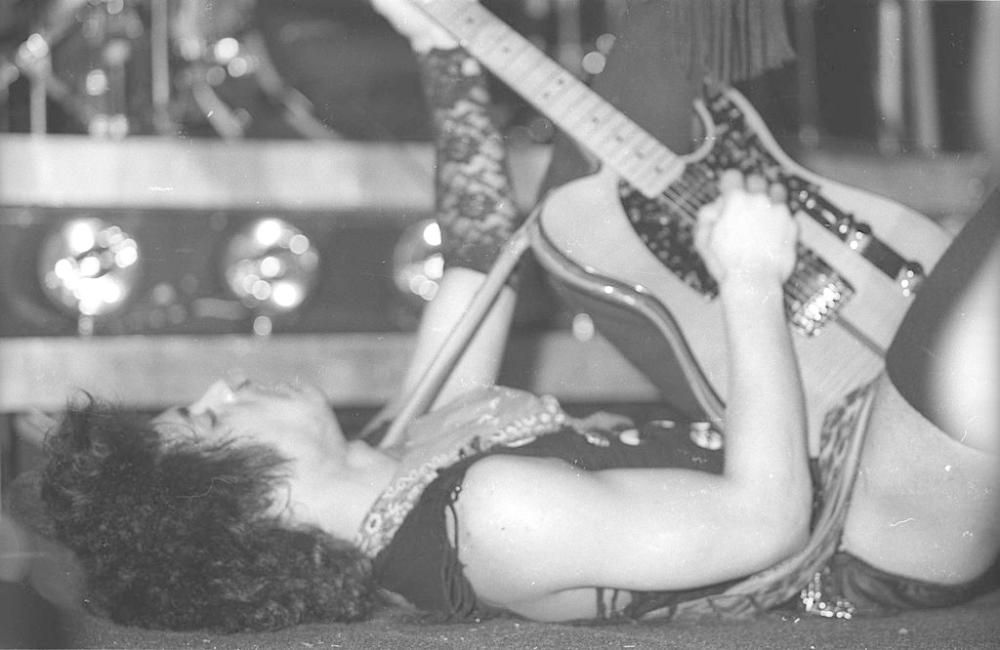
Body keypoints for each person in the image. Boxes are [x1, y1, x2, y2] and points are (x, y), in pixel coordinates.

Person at [23, 0, 999, 633]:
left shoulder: (400, 454)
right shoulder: (486, 519)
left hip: (830, 442)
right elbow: (765, 522)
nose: (223, 385)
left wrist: (444, 53)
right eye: (205, 418)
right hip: (873, 530)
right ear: (252, 500)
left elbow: (479, 252)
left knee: (598, 168)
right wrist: (748, 278)